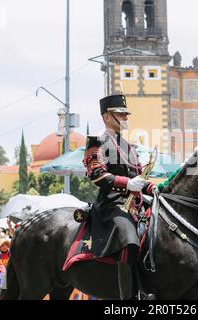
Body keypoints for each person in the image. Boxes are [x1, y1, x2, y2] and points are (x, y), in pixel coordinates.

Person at [81, 94, 157, 300]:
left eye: (125, 114)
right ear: (107, 117)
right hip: (111, 205)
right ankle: (128, 299)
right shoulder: (96, 141)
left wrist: (153, 188)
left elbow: (138, 177)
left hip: (137, 204)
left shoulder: (128, 146)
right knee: (129, 240)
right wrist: (126, 184)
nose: (125, 118)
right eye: (120, 114)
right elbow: (96, 173)